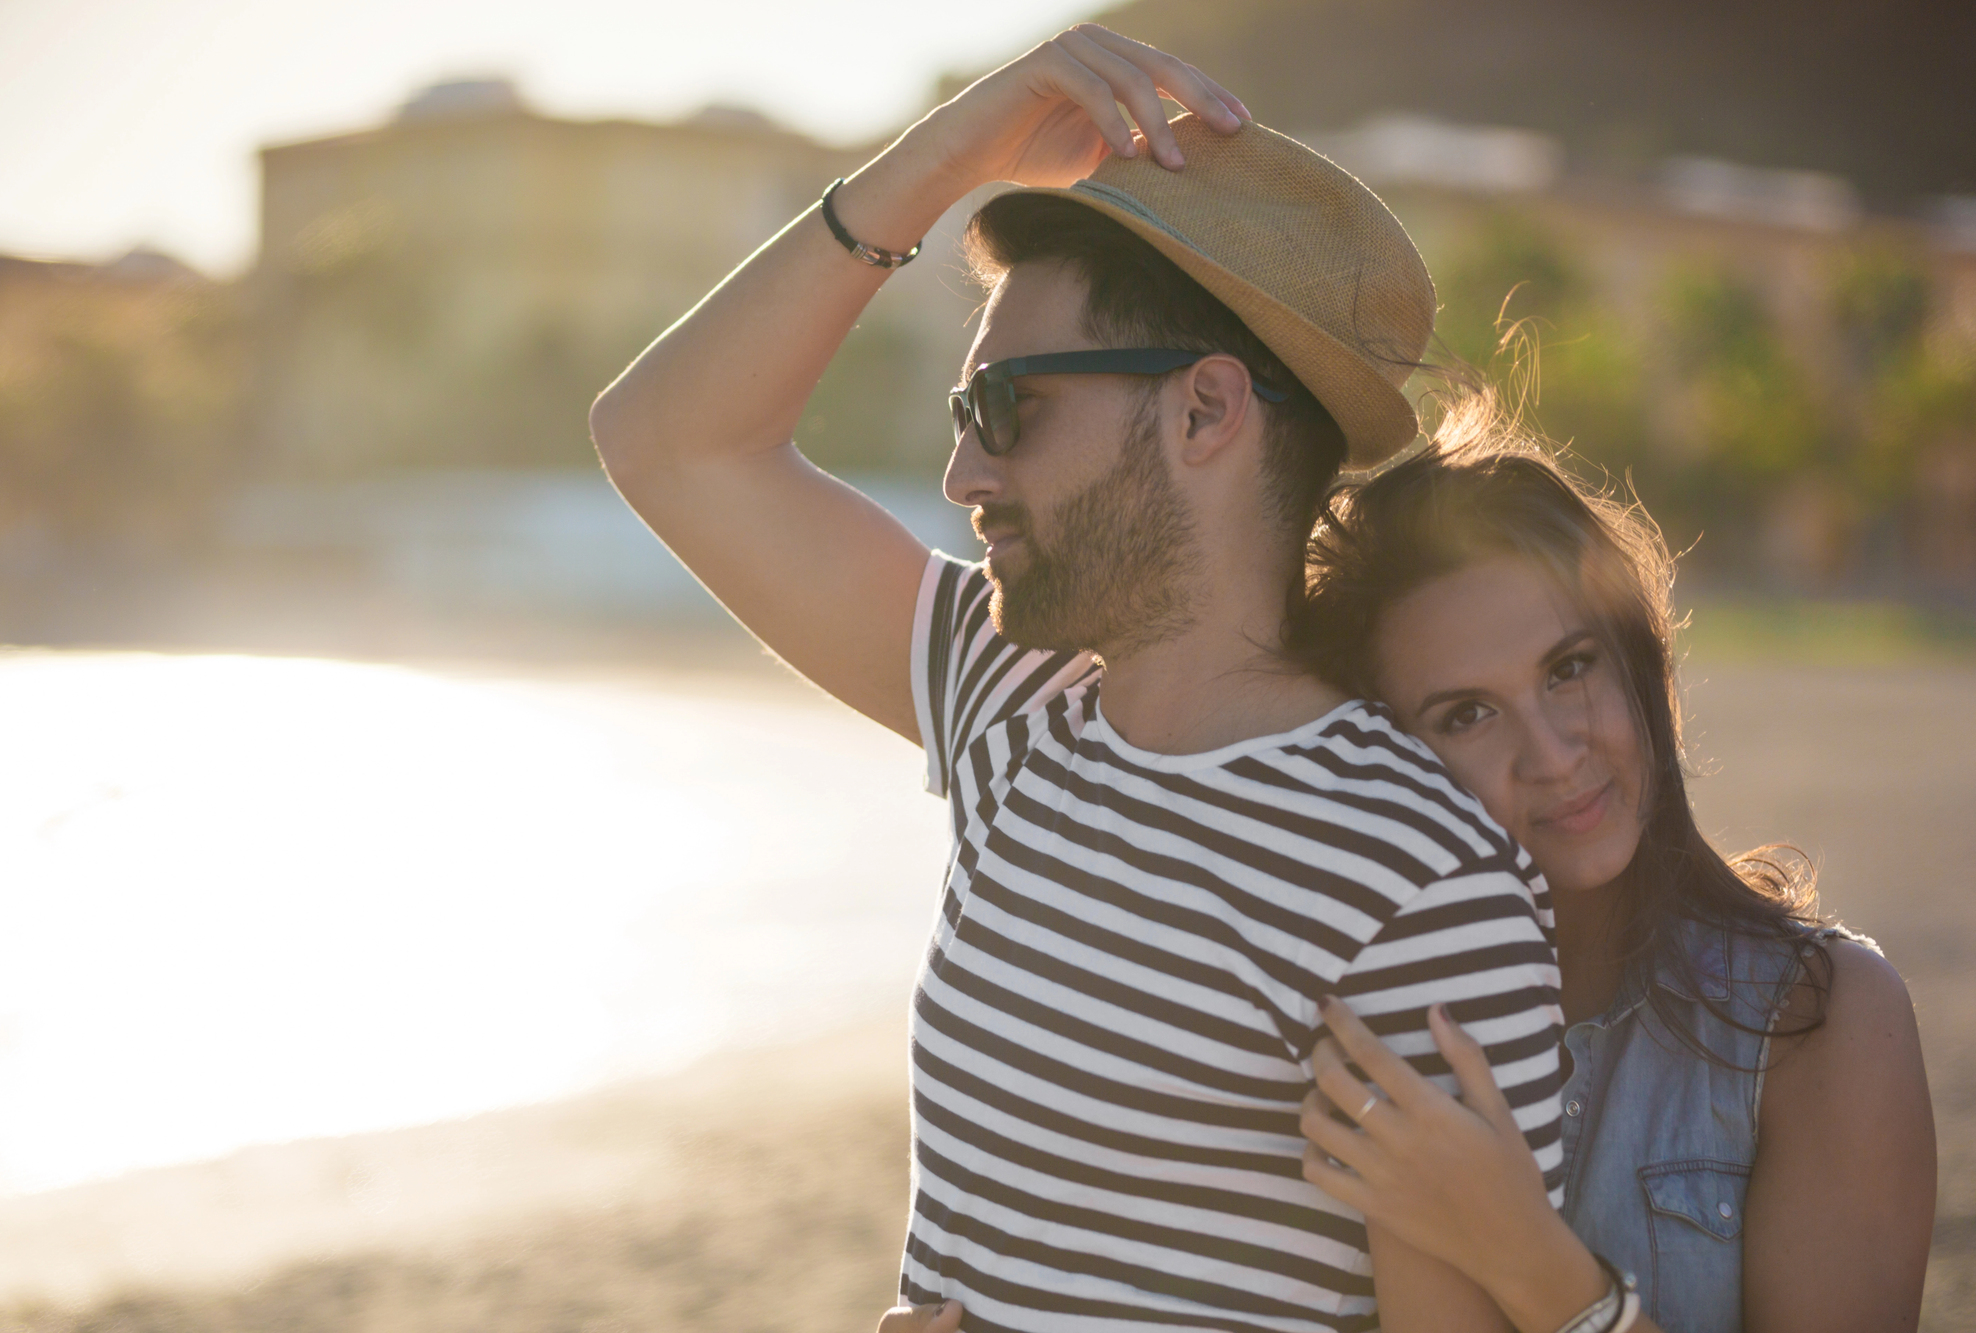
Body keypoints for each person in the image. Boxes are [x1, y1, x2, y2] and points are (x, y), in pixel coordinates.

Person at [590, 24, 1577, 1333]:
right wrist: (943, 156)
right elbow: (666, 440)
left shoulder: (1411, 877)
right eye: (962, 418)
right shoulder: (1013, 701)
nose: (965, 476)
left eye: (1010, 410)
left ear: (1206, 413)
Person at [1288, 404, 1937, 1332]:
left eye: (1569, 666)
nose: (1553, 754)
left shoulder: (1827, 1026)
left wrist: (1531, 1261)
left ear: (1637, 662)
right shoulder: (1341, 1031)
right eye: (1466, 714)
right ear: (1383, 756)